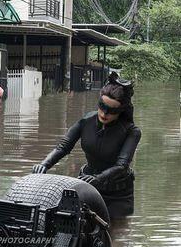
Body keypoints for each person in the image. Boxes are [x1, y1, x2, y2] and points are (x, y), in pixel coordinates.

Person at [31, 73, 141, 219]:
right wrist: (45, 164)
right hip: (87, 183)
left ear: (121, 111)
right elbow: (63, 146)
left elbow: (122, 165)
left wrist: (99, 178)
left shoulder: (131, 131)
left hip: (117, 194)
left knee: (116, 233)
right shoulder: (86, 120)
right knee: (73, 224)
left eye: (112, 111)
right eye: (102, 106)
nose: (105, 113)